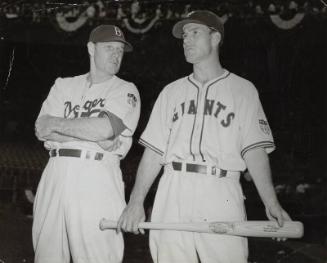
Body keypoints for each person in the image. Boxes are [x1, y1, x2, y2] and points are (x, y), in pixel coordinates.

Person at [117, 10, 291, 263]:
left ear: (215, 38)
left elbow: (254, 151)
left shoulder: (243, 90)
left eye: (194, 32)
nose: (186, 39)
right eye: (184, 35)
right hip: (173, 187)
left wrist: (271, 203)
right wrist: (136, 202)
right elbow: (154, 152)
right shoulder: (171, 92)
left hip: (220, 190)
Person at [33, 25, 140, 263]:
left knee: (97, 256)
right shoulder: (63, 84)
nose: (116, 54)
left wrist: (59, 126)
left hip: (97, 175)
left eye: (120, 50)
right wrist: (93, 136)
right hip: (55, 173)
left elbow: (103, 128)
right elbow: (41, 128)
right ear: (91, 48)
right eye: (109, 48)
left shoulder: (125, 90)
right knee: (46, 256)